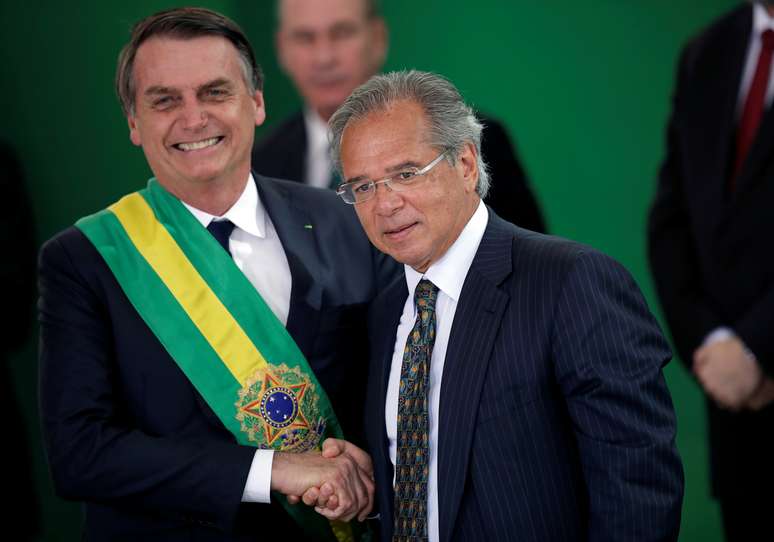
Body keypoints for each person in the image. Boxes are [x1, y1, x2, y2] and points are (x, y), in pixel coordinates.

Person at [38, 7, 395, 541]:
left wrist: (361, 468)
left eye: (215, 92)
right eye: (164, 101)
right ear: (134, 123)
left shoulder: (344, 218)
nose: (193, 118)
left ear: (256, 102)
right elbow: (81, 455)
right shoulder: (83, 259)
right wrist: (271, 469)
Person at [321, 70, 683, 541]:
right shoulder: (385, 309)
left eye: (405, 174)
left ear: (467, 164)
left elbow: (638, 492)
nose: (384, 204)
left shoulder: (572, 282)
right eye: (363, 187)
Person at [252, 0, 546, 232]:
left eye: (342, 33)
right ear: (282, 49)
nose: (324, 57)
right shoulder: (260, 164)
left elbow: (523, 267)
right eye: (305, 38)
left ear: (378, 38)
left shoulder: (473, 139)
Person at [648, 1, 774, 539]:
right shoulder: (708, 51)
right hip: (741, 420)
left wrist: (758, 347)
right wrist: (715, 342)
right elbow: (673, 221)